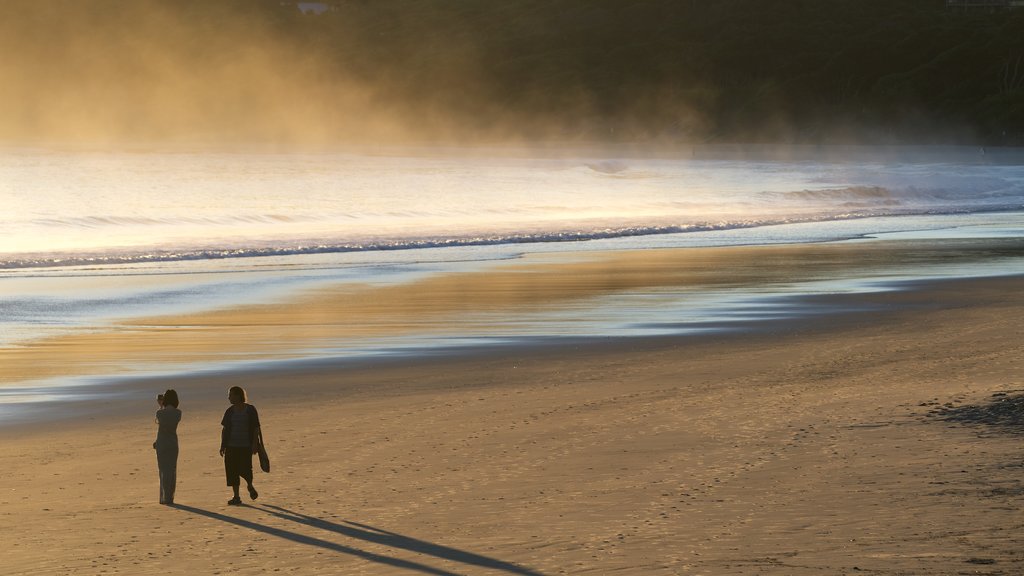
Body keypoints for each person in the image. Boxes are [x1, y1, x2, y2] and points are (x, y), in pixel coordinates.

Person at [220, 386, 261, 505]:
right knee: (232, 471)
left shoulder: (250, 409)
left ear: (238, 395)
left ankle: (249, 485)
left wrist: (254, 444)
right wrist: (223, 445)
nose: (229, 397)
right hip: (231, 445)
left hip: (245, 445)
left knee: (246, 468)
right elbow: (225, 429)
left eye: (231, 395)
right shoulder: (229, 411)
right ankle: (236, 496)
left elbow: (256, 428)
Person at [153, 389, 181, 506]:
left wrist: (161, 406)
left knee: (163, 470)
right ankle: (170, 496)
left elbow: (161, 424)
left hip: (162, 443)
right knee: (172, 470)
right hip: (173, 443)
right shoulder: (178, 412)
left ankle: (164, 497)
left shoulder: (160, 413)